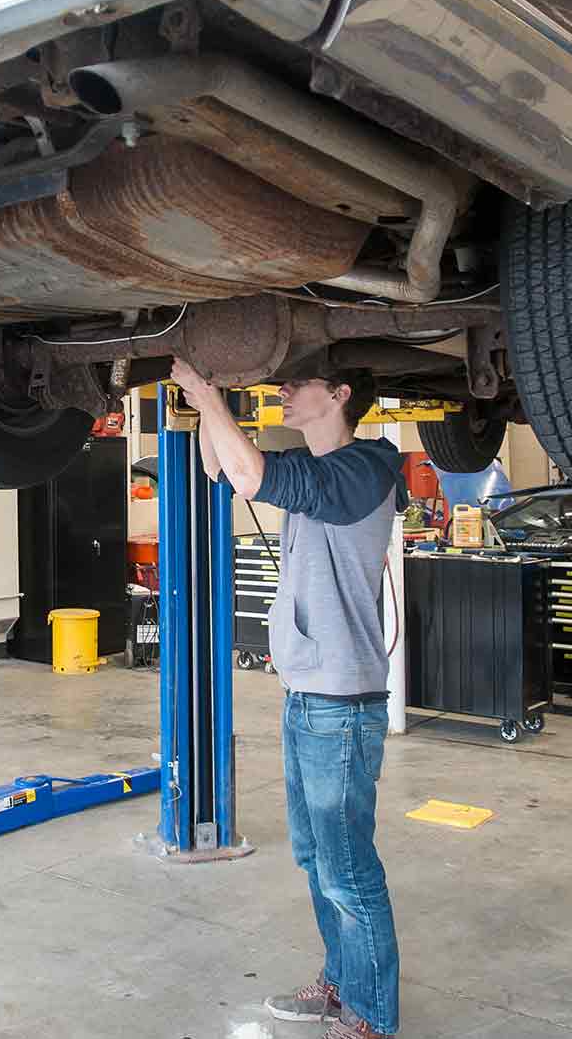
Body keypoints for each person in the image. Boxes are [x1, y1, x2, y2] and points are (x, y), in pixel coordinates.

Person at [173, 358, 404, 1039]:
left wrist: (211, 397)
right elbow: (222, 467)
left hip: (342, 701)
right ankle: (341, 982)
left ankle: (371, 1015)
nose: (285, 391)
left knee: (348, 867)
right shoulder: (317, 470)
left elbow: (250, 475)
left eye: (299, 383)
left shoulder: (363, 471)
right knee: (316, 858)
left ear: (339, 395)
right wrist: (205, 400)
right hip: (307, 695)